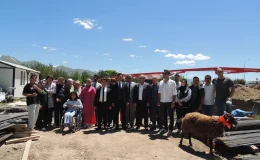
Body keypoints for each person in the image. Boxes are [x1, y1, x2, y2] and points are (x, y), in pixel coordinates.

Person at [157, 70, 177, 134]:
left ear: (168, 74)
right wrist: (158, 101)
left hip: (170, 102)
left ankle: (170, 129)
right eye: (163, 73)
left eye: (165, 73)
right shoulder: (161, 82)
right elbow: (159, 92)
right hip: (162, 101)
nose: (164, 75)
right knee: (164, 116)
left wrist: (173, 102)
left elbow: (174, 93)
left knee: (171, 116)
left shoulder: (172, 82)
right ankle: (165, 128)